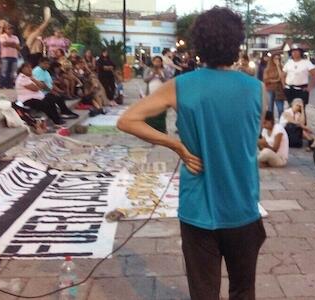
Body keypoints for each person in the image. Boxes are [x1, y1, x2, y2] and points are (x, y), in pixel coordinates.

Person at [117, 7, 266, 299]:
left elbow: (127, 120)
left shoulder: (180, 86)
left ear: (199, 45)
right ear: (237, 44)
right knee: (244, 290)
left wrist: (177, 145)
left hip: (198, 210)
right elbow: (253, 137)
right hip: (243, 206)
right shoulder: (257, 88)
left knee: (203, 293)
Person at [15, 63, 65, 127]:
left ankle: (58, 118)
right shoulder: (22, 78)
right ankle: (56, 120)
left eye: (30, 67)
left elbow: (42, 85)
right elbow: (35, 88)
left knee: (51, 98)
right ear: (22, 69)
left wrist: (34, 80)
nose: (30, 69)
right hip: (27, 100)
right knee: (45, 104)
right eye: (27, 68)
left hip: (37, 97)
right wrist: (37, 83)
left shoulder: (30, 77)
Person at [143, 56, 170, 133]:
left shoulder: (164, 70)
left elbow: (168, 82)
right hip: (150, 93)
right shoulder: (148, 69)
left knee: (161, 111)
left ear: (161, 62)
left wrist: (160, 76)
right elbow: (145, 79)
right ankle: (149, 128)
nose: (157, 63)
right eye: (155, 61)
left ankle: (161, 128)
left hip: (162, 94)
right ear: (153, 62)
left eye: (159, 61)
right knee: (150, 111)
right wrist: (153, 74)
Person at [263, 53, 286, 118]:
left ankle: (281, 123)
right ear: (272, 59)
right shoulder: (267, 69)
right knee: (270, 108)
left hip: (279, 90)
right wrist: (276, 80)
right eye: (275, 58)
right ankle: (271, 123)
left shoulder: (282, 67)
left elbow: (282, 77)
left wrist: (278, 66)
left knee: (280, 109)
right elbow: (266, 80)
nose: (277, 60)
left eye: (278, 58)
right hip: (270, 89)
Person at [0, 23, 20, 89]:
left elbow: (18, 46)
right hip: (5, 56)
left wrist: (10, 44)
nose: (10, 30)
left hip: (14, 56)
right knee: (4, 71)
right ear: (5, 30)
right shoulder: (2, 36)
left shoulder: (15, 37)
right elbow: (4, 44)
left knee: (13, 71)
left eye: (11, 29)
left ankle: (10, 85)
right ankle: (2, 84)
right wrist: (13, 44)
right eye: (9, 29)